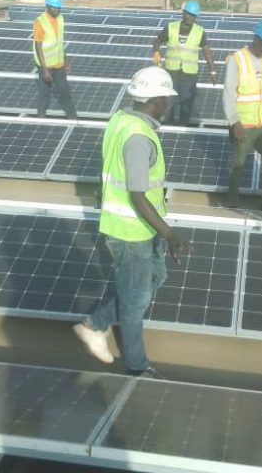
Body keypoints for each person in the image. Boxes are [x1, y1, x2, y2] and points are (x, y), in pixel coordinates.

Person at [73, 66, 192, 377]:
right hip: (130, 232)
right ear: (157, 100)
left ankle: (94, 323)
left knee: (154, 279)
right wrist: (170, 234)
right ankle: (137, 366)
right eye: (167, 99)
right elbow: (138, 195)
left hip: (142, 227)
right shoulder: (138, 138)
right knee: (134, 303)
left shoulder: (121, 120)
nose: (169, 104)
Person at [221, 19, 262, 211]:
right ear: (256, 40)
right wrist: (234, 122)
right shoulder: (237, 59)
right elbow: (229, 93)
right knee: (237, 164)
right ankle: (232, 202)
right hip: (243, 124)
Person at [151, 0, 218, 126]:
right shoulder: (171, 27)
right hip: (171, 72)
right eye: (188, 14)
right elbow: (158, 40)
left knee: (186, 104)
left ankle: (182, 127)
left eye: (193, 16)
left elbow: (206, 50)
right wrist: (156, 52)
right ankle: (168, 127)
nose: (190, 18)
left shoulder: (199, 31)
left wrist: (213, 71)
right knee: (169, 103)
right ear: (183, 13)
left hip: (189, 74)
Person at [33, 0, 77, 119]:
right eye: (54, 8)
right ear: (47, 7)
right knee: (44, 94)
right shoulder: (40, 22)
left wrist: (66, 61)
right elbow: (38, 47)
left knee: (65, 92)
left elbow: (59, 42)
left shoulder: (60, 18)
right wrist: (45, 70)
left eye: (59, 8)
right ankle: (41, 120)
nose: (57, 10)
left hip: (59, 64)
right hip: (45, 65)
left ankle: (73, 119)